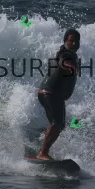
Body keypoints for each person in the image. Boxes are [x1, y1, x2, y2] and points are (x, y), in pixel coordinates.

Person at [36, 29, 81, 160]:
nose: (74, 44)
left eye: (77, 41)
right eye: (71, 41)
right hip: (51, 93)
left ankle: (42, 152)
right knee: (57, 123)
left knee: (58, 125)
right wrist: (69, 66)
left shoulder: (69, 53)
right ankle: (43, 153)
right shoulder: (66, 54)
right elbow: (63, 61)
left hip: (51, 94)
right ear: (65, 41)